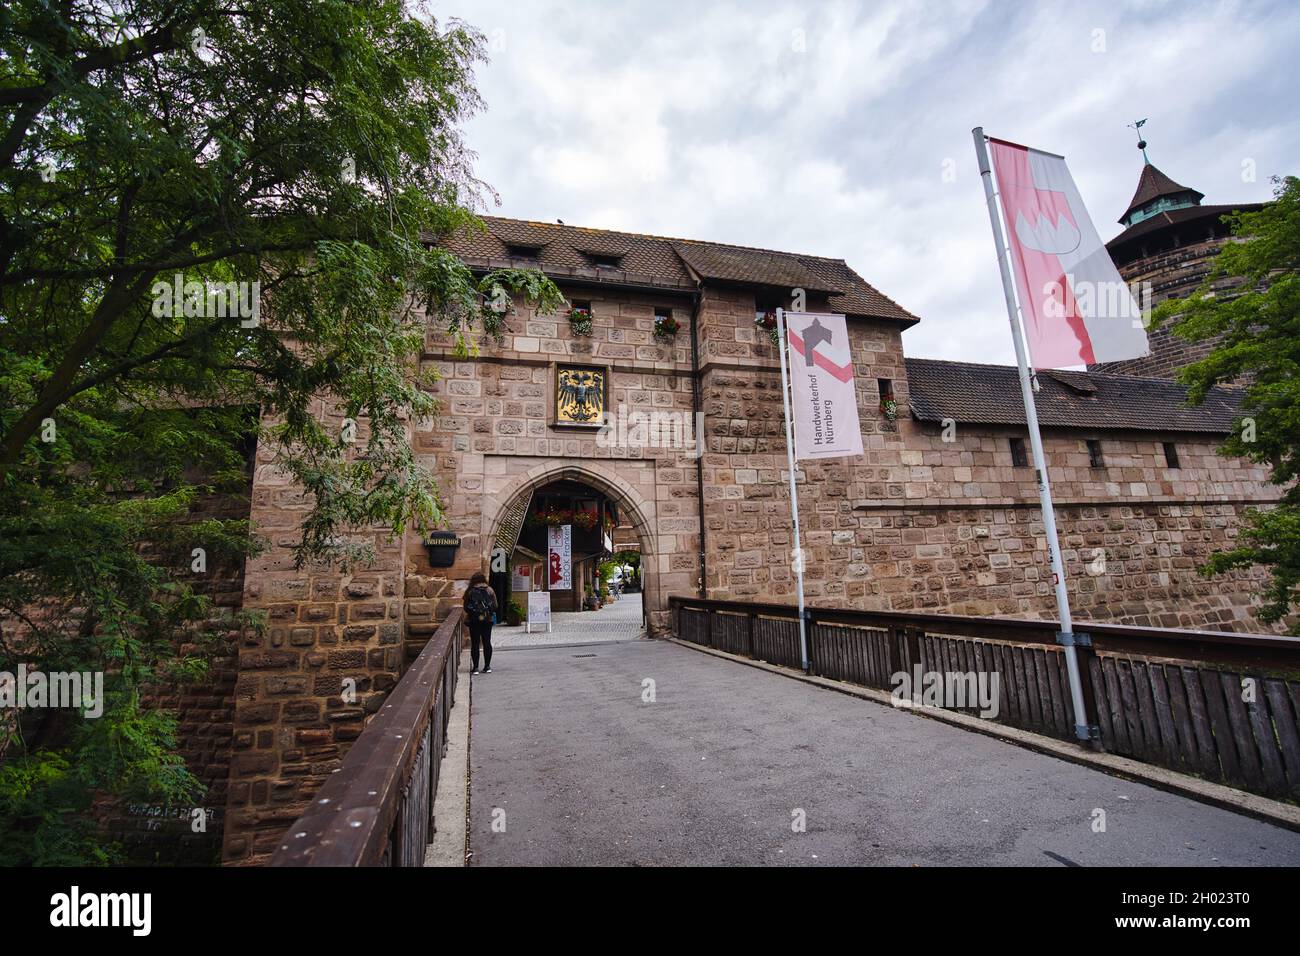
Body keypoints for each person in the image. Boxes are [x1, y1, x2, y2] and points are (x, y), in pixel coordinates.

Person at [463, 572, 498, 675]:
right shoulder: (490, 590)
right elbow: (495, 605)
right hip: (488, 620)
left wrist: (474, 613)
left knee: (475, 643)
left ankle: (475, 668)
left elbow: (465, 607)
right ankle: (487, 667)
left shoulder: (470, 591)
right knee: (487, 642)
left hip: (474, 620)